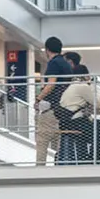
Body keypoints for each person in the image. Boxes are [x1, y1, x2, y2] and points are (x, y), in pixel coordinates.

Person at [33, 36, 72, 165]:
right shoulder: (66, 64)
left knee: (42, 140)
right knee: (58, 142)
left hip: (51, 108)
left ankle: (40, 168)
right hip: (63, 110)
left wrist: (38, 98)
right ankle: (59, 167)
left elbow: (51, 84)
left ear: (47, 50)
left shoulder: (54, 63)